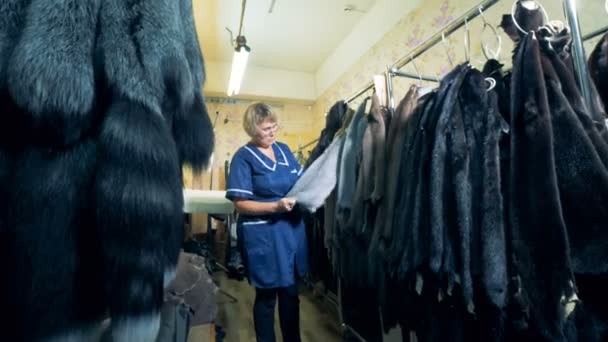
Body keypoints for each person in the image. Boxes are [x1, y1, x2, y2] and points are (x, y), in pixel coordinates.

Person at [225, 102, 308, 342]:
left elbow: (299, 182)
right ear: (252, 130)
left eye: (274, 126)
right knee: (267, 296)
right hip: (264, 235)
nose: (272, 132)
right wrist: (275, 206)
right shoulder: (244, 157)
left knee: (291, 294)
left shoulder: (283, 149)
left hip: (290, 232)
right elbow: (240, 204)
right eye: (265, 129)